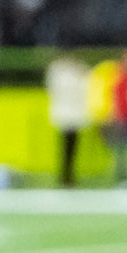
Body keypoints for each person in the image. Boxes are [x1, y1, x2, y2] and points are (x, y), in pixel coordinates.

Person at [46, 49, 96, 186]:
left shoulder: (81, 70)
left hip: (75, 112)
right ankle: (65, 175)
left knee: (73, 146)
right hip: (65, 111)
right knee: (65, 145)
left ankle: (70, 174)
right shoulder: (58, 70)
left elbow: (86, 89)